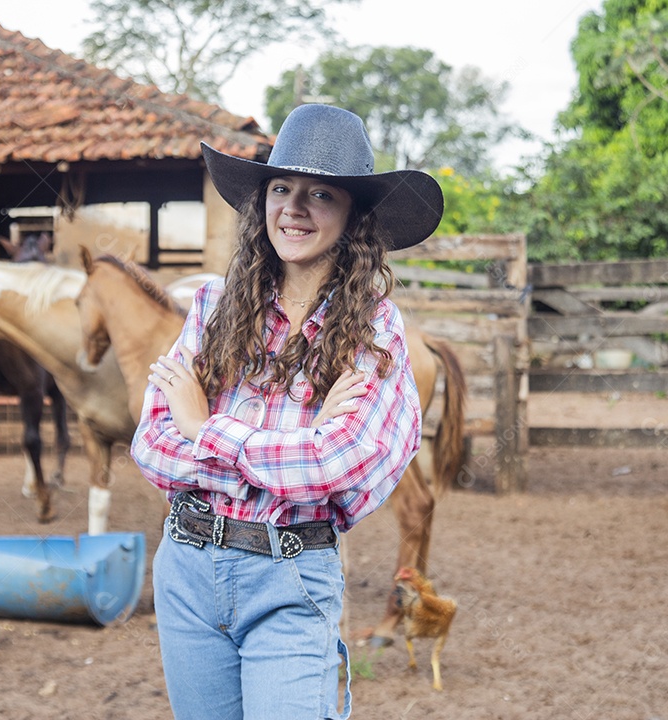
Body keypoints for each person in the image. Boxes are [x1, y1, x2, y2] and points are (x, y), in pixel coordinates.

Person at [131, 103, 443, 719]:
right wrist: (286, 449)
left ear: (354, 216)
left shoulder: (374, 331)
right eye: (281, 188)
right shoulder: (213, 307)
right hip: (187, 570)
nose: (293, 208)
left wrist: (205, 426)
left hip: (290, 578)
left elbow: (337, 467)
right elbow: (152, 447)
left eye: (320, 194)